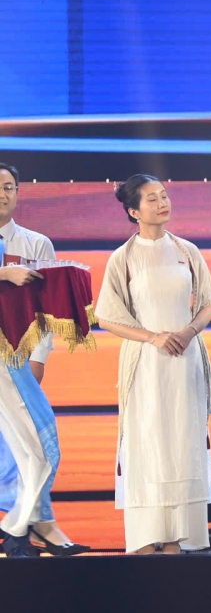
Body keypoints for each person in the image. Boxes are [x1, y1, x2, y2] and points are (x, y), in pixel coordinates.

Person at [93, 175, 211, 554]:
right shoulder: (123, 258)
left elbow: (208, 303)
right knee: (148, 443)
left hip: (185, 361)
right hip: (146, 364)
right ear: (134, 211)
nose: (162, 203)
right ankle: (147, 541)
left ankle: (180, 539)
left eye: (164, 196)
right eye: (152, 199)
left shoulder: (187, 250)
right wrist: (152, 337)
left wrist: (189, 331)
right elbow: (106, 316)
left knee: (183, 441)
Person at [0, 163, 88, 556]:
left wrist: (38, 360)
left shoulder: (36, 243)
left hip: (15, 360)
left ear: (18, 193)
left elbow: (46, 311)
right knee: (28, 452)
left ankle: (23, 528)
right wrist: (5, 274)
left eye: (8, 187)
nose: (2, 194)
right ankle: (31, 529)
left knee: (37, 449)